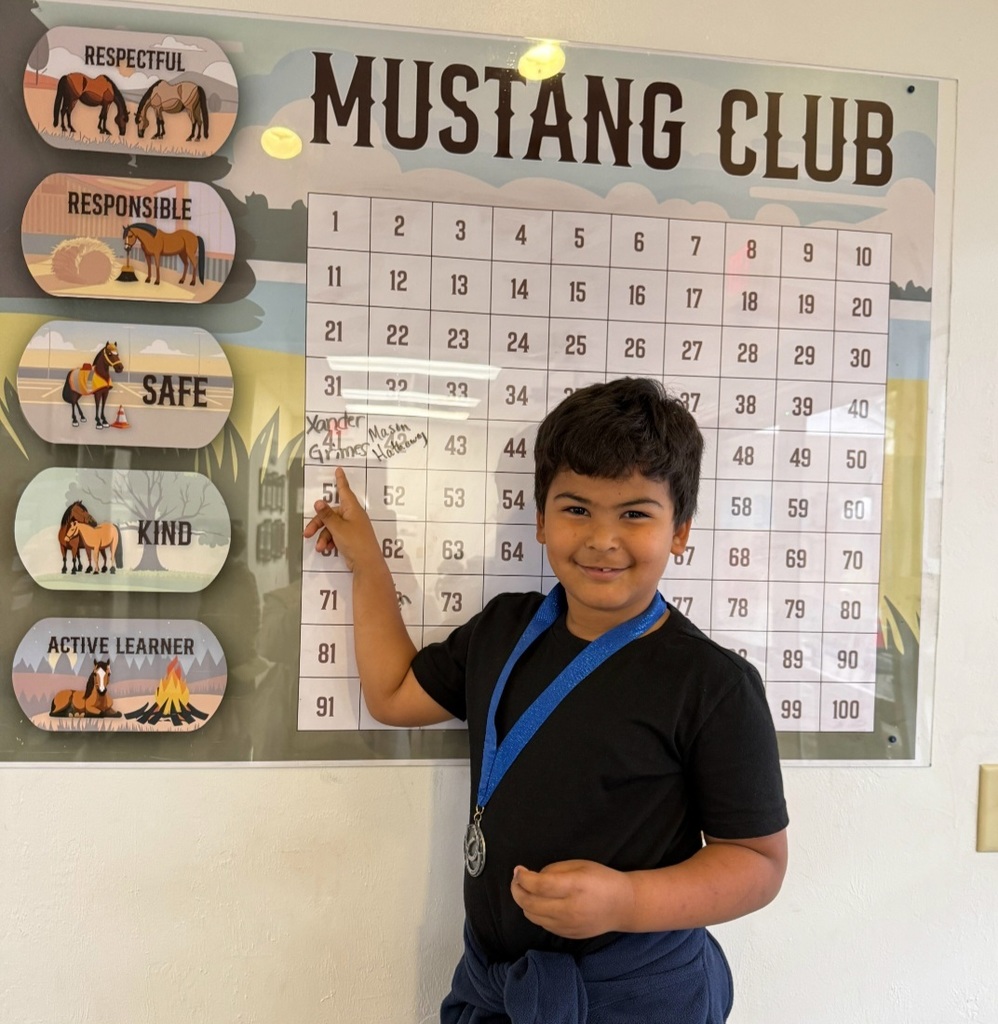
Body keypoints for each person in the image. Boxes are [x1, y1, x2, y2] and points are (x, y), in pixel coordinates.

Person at [304, 377, 788, 1024]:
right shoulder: (504, 630)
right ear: (539, 519)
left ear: (680, 532)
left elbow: (756, 862)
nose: (602, 538)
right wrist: (367, 565)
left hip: (634, 998)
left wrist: (625, 901)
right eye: (577, 508)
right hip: (498, 988)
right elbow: (393, 695)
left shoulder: (712, 684)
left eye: (636, 513)